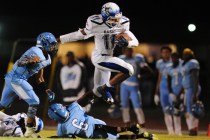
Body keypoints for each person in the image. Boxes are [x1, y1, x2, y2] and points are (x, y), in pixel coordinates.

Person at [57, 2, 139, 105]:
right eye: (113, 19)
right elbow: (79, 35)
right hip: (99, 58)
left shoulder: (123, 22)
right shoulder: (94, 22)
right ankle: (107, 88)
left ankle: (76, 108)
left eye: (118, 18)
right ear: (104, 17)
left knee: (96, 92)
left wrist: (128, 43)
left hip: (109, 57)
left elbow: (135, 42)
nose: (117, 21)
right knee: (129, 70)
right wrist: (60, 39)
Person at [0, 32, 58, 138]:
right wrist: (30, 60)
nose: (53, 46)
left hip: (13, 78)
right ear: (44, 43)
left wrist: (47, 89)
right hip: (16, 79)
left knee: (3, 105)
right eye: (51, 44)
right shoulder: (35, 51)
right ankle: (29, 131)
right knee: (34, 101)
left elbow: (39, 77)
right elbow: (20, 62)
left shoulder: (47, 58)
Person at [47, 99, 158, 139]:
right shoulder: (73, 108)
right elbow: (86, 108)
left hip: (94, 127)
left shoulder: (61, 129)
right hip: (93, 133)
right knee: (118, 138)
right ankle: (142, 135)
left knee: (102, 128)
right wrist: (91, 101)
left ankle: (129, 128)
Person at [118, 47, 153, 131]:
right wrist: (116, 89)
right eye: (127, 50)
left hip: (134, 86)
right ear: (124, 51)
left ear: (133, 51)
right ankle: (127, 124)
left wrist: (141, 77)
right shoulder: (121, 58)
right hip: (124, 85)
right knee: (124, 106)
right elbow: (118, 74)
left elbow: (149, 71)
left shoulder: (138, 58)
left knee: (137, 106)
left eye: (130, 50)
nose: (128, 52)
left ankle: (142, 125)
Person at [181, 48, 202, 136]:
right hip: (187, 89)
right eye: (184, 54)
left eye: (187, 54)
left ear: (191, 54)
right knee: (187, 109)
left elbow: (195, 78)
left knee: (192, 109)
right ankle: (191, 128)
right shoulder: (185, 63)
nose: (185, 56)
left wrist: (195, 92)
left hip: (192, 88)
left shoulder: (193, 62)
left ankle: (193, 129)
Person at [154, 46, 174, 135]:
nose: (165, 54)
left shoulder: (175, 61)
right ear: (161, 53)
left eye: (167, 52)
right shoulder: (159, 63)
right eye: (163, 52)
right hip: (163, 88)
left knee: (175, 109)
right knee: (166, 110)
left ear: (170, 53)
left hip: (173, 89)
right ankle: (170, 131)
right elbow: (159, 77)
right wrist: (156, 92)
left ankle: (177, 130)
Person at [166, 52, 183, 136]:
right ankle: (176, 131)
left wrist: (181, 92)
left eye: (175, 58)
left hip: (181, 91)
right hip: (173, 91)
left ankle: (180, 131)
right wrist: (170, 92)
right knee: (174, 111)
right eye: (172, 58)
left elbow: (184, 80)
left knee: (182, 111)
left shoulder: (182, 66)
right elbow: (168, 80)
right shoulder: (169, 67)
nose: (174, 59)